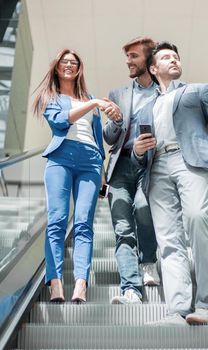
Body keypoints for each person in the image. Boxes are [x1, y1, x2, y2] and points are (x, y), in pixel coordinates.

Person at [133, 41, 208, 324]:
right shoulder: (145, 107)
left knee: (198, 219)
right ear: (153, 68)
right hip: (158, 167)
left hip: (189, 162)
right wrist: (139, 151)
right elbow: (138, 152)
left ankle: (205, 306)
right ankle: (177, 310)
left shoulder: (198, 90)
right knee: (168, 242)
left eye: (176, 57)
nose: (174, 60)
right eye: (166, 57)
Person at [33, 49, 120, 303]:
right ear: (57, 68)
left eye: (74, 62)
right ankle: (55, 283)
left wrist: (103, 170)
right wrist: (93, 104)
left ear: (79, 69)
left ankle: (81, 284)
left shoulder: (89, 97)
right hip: (61, 157)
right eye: (65, 62)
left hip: (91, 161)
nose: (69, 65)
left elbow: (96, 137)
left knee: (84, 223)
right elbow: (60, 122)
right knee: (58, 221)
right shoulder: (50, 97)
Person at [103, 37, 160, 305]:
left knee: (143, 208)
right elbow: (109, 137)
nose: (128, 61)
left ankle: (148, 260)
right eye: (127, 56)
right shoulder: (119, 94)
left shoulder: (166, 93)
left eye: (134, 56)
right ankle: (130, 290)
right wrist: (115, 121)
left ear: (149, 60)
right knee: (123, 228)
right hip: (119, 166)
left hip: (151, 165)